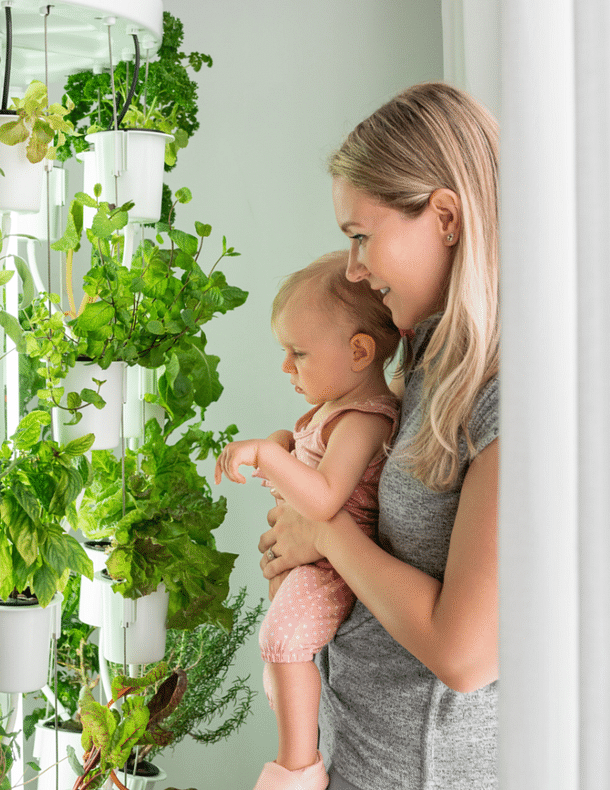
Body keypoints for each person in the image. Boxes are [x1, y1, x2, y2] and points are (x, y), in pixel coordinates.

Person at [259, 82, 500, 790]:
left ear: (446, 217)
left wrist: (323, 533)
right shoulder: (427, 357)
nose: (355, 268)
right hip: (362, 757)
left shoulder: (502, 392)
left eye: (361, 236)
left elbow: (465, 654)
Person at [215, 249, 401, 790]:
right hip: (307, 559)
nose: (286, 367)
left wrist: (270, 457)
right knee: (280, 644)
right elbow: (305, 461)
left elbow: (322, 499)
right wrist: (279, 444)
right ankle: (288, 685)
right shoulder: (332, 408)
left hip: (333, 567)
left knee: (284, 640)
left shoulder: (365, 420)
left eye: (298, 353)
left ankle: (298, 766)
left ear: (359, 351)